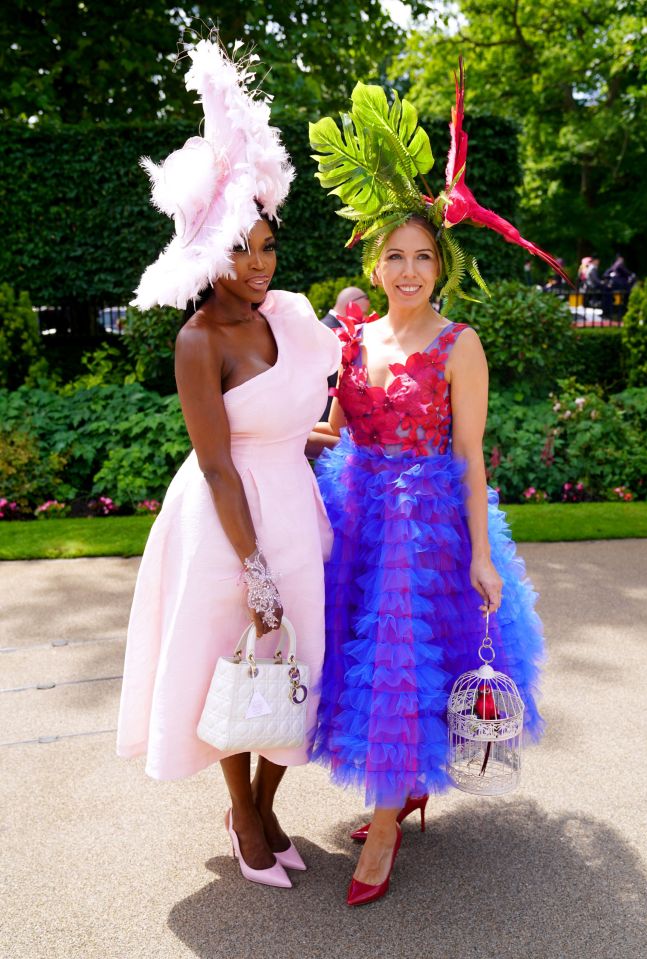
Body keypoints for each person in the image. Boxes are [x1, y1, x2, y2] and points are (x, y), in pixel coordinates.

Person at [309, 62, 547, 906]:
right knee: (355, 655)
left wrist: (483, 554)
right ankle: (399, 788)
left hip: (427, 523)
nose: (408, 270)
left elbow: (473, 455)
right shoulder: (353, 338)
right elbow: (334, 427)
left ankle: (382, 825)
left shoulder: (460, 343)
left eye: (422, 257)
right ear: (373, 263)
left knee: (404, 661)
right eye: (393, 256)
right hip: (357, 507)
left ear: (439, 264)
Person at [116, 37, 341, 890]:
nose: (257, 265)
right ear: (209, 247)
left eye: (266, 247)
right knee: (231, 662)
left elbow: (283, 409)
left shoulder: (284, 312)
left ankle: (265, 804)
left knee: (301, 662)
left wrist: (305, 437)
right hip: (225, 521)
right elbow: (216, 463)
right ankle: (246, 813)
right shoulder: (197, 339)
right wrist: (253, 566)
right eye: (241, 249)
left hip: (291, 499)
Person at [320, 286, 371, 418]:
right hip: (326, 414)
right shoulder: (325, 330)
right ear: (351, 305)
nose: (364, 318)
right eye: (364, 312)